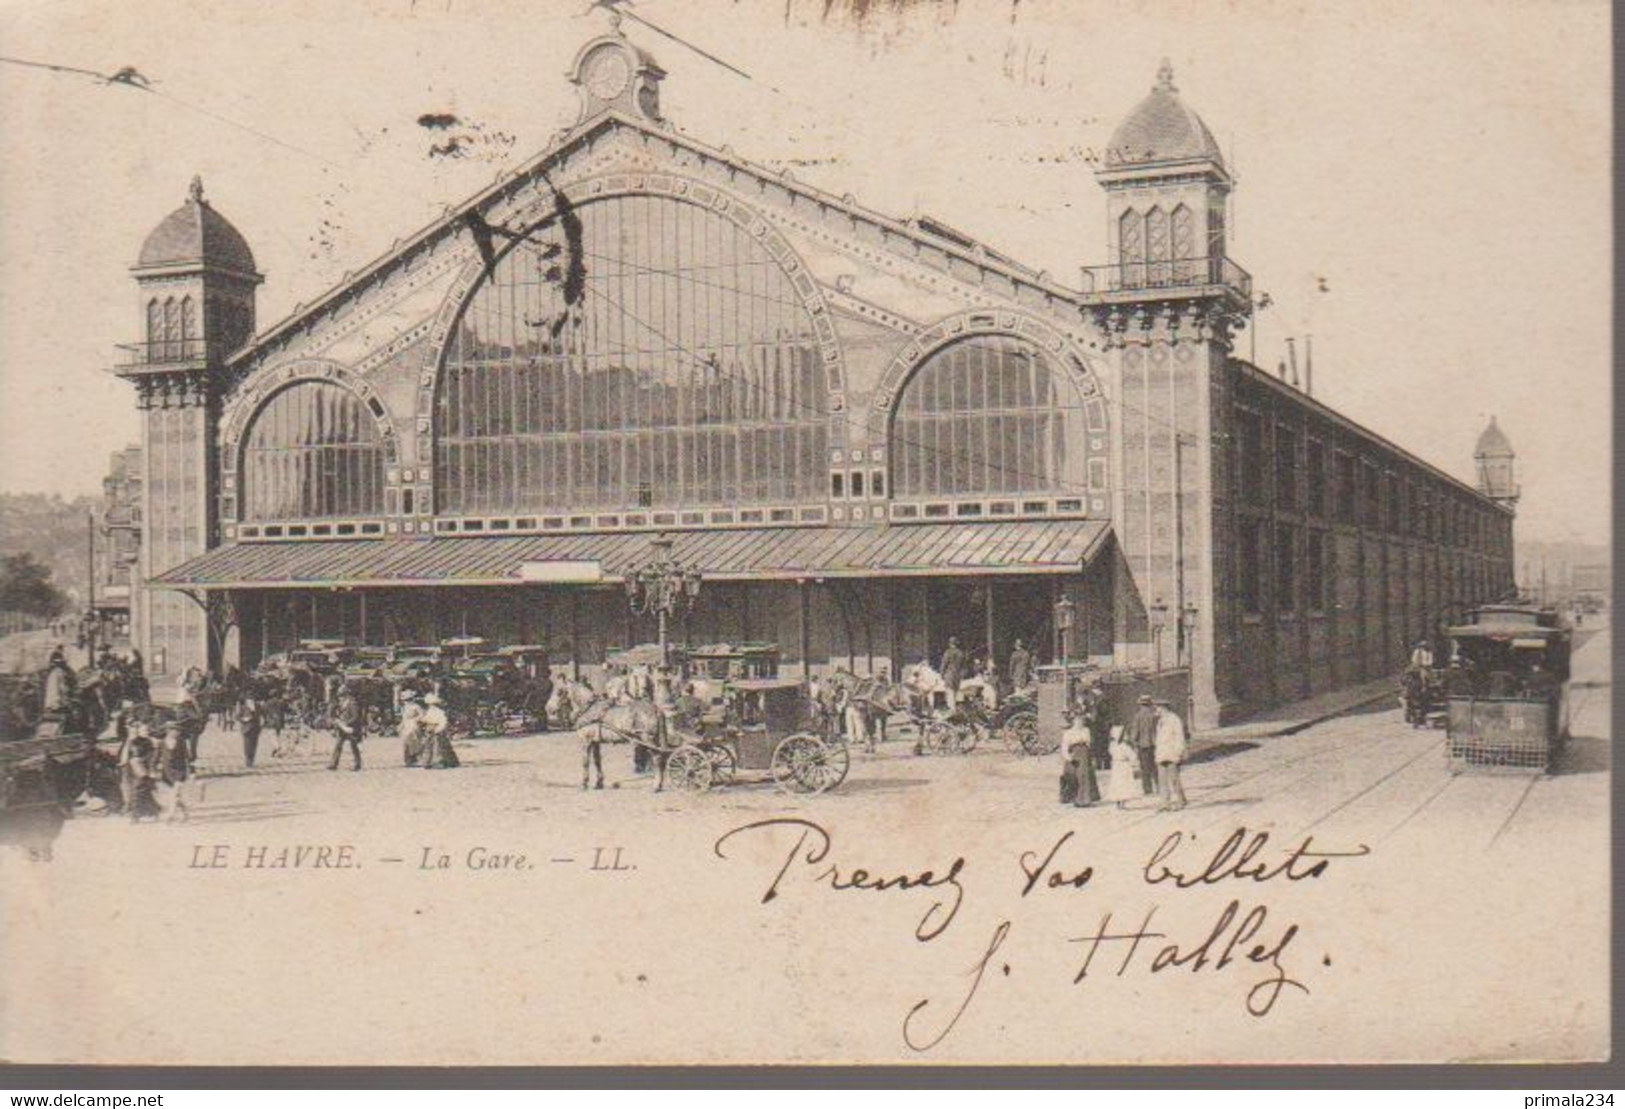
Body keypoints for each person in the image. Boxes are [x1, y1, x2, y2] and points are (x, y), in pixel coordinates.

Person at [1152, 700, 1188, 812]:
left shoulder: (1174, 719)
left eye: (1157, 708)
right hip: (1161, 753)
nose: (1156, 710)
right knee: (1162, 780)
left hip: (1171, 753)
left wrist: (1178, 752)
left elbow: (1179, 737)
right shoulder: (1160, 721)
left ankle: (1181, 800)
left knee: (1174, 779)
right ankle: (1165, 803)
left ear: (1163, 708)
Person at [118, 722, 158, 823]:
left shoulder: (147, 742)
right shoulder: (130, 742)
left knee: (138, 791)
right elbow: (123, 757)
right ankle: (152, 811)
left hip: (142, 770)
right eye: (132, 732)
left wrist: (150, 769)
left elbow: (152, 757)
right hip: (131, 769)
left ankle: (135, 816)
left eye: (147, 730)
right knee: (141, 792)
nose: (146, 732)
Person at [1059, 710, 1099, 807]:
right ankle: (1076, 799)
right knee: (1076, 778)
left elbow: (1089, 744)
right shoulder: (1068, 733)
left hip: (1085, 755)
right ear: (1073, 721)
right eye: (1077, 720)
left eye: (1081, 720)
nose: (1080, 722)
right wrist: (1069, 758)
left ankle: (1086, 800)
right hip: (1075, 756)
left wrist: (1091, 756)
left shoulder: (1086, 730)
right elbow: (1064, 747)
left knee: (1086, 777)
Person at [155, 723, 194, 823]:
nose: (177, 732)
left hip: (180, 771)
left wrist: (192, 771)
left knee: (174, 794)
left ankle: (170, 815)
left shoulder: (182, 742)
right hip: (167, 772)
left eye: (178, 730)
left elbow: (187, 757)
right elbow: (156, 757)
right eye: (175, 730)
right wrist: (152, 768)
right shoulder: (162, 743)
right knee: (175, 795)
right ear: (168, 731)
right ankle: (186, 813)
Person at [1125, 693, 1159, 797]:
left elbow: (1135, 732)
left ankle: (1148, 789)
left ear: (1140, 704)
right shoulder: (1155, 715)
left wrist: (1133, 741)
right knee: (1155, 767)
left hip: (1143, 745)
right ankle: (1159, 786)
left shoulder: (1138, 716)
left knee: (1145, 768)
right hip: (1155, 744)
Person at [327, 688, 363, 771]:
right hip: (343, 728)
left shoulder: (353, 704)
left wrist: (346, 723)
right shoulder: (342, 704)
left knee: (353, 746)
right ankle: (333, 764)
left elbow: (355, 717)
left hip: (351, 727)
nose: (340, 698)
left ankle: (357, 764)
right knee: (338, 745)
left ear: (347, 695)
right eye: (340, 696)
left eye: (342, 696)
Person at [1104, 724, 1140, 808]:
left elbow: (1111, 753)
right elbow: (1133, 756)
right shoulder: (1125, 746)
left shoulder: (1112, 745)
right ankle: (1123, 802)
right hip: (1124, 766)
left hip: (1116, 766)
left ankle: (1118, 801)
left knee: (1116, 783)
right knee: (1124, 784)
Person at [419, 693, 456, 769]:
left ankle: (439, 762)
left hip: (436, 729)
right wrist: (423, 722)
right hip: (429, 729)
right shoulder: (429, 711)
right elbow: (426, 719)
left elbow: (443, 721)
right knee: (428, 746)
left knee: (438, 747)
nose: (430, 706)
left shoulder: (440, 712)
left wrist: (439, 729)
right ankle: (428, 762)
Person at [399, 691, 427, 766]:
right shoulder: (404, 707)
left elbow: (422, 715)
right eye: (405, 700)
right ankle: (408, 760)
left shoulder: (416, 706)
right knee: (406, 742)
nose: (407, 701)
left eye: (408, 699)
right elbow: (403, 718)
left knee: (415, 742)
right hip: (406, 725)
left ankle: (417, 759)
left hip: (413, 725)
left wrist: (415, 719)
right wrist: (401, 725)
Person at [939, 637, 966, 709]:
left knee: (950, 693)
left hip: (949, 675)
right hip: (958, 675)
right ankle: (954, 709)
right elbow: (964, 666)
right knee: (955, 693)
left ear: (950, 644)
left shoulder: (948, 652)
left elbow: (944, 664)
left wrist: (941, 674)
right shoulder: (961, 653)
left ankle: (951, 710)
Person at [238, 694, 263, 769]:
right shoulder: (243, 707)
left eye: (252, 700)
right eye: (249, 700)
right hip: (246, 728)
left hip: (255, 728)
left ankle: (252, 761)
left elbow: (262, 715)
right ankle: (248, 762)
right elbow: (237, 716)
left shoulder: (258, 707)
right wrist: (244, 719)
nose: (251, 702)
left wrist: (262, 723)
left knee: (254, 745)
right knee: (247, 746)